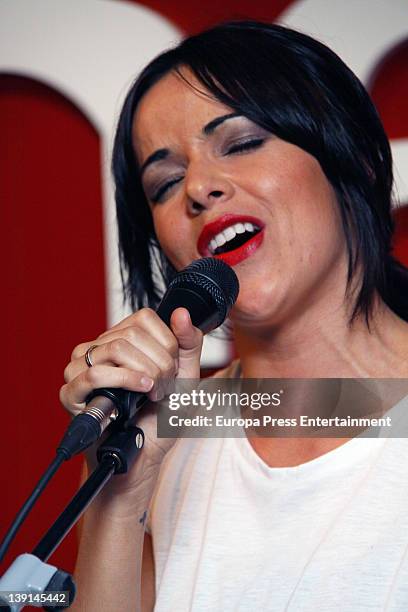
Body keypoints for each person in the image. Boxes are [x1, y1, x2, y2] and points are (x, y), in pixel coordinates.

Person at [60, 21, 408, 611]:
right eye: (165, 182)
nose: (197, 187)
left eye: (241, 143)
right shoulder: (161, 432)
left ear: (353, 156)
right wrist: (119, 493)